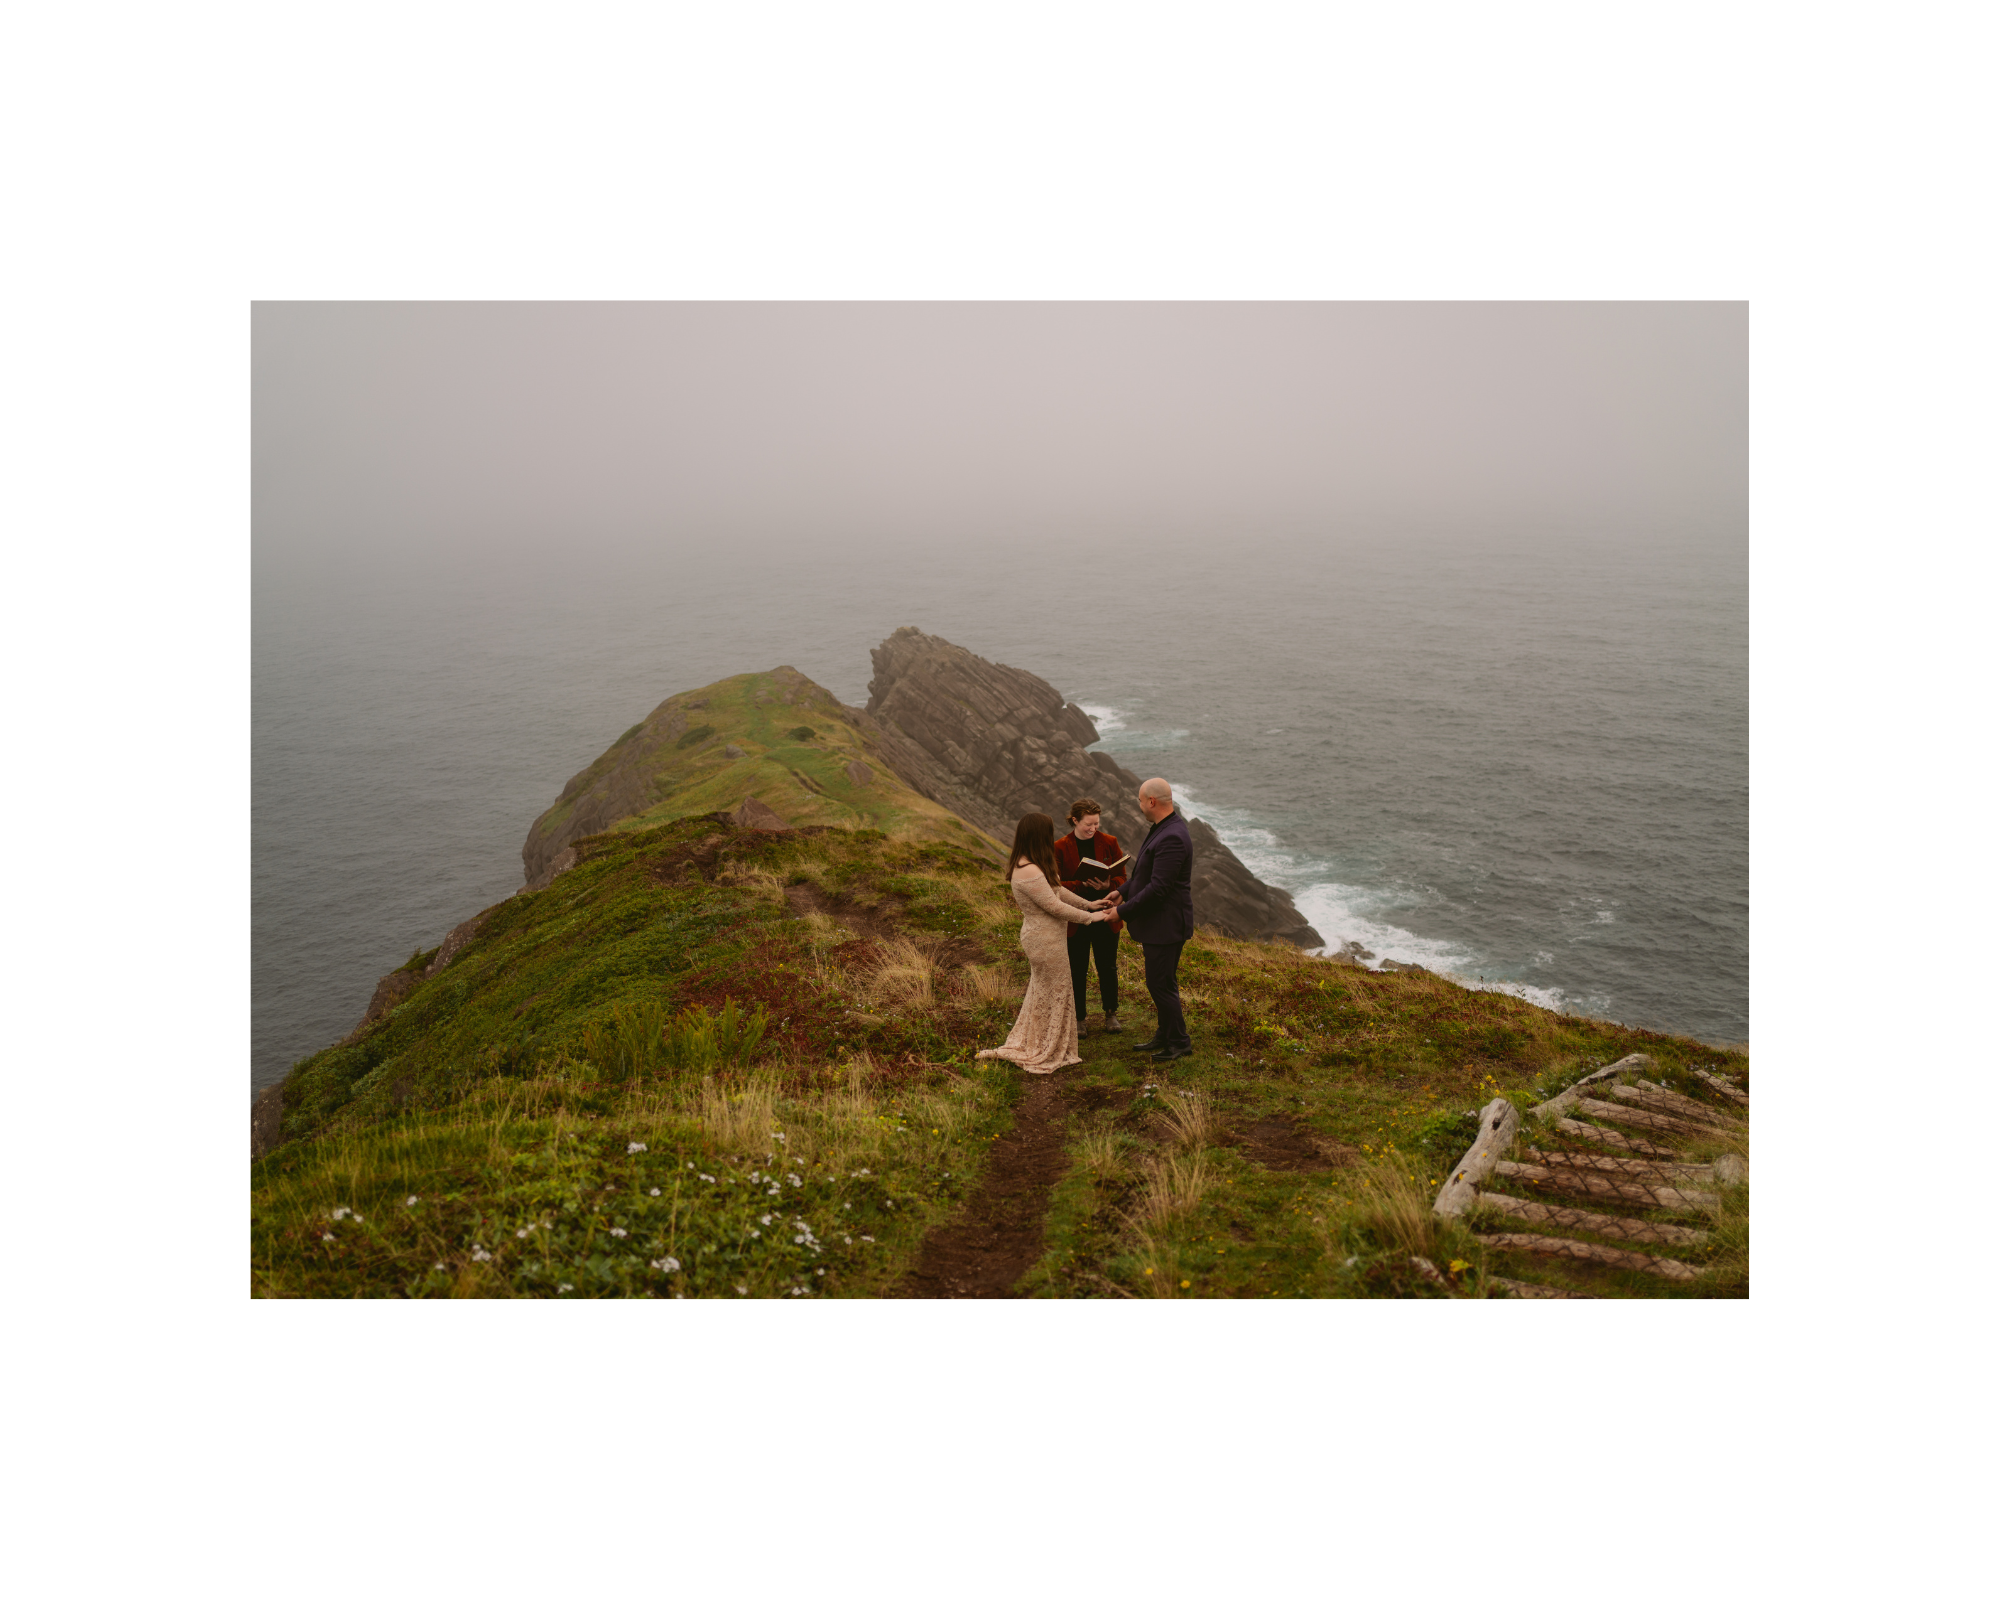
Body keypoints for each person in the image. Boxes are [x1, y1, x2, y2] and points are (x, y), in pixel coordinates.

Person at [977, 812, 1116, 1074]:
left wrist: (1088, 904)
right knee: (1054, 991)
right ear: (1039, 835)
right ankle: (1045, 1045)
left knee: (1047, 992)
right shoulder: (1028, 869)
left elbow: (1057, 890)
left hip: (1047, 937)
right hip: (1044, 940)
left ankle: (1042, 1040)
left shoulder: (1031, 864)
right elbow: (1054, 906)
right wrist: (1090, 918)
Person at [1102, 778, 1194, 1063]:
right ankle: (1165, 1035)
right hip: (1161, 924)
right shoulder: (1163, 828)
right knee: (1162, 982)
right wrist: (1122, 892)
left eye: (1140, 801)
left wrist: (1122, 912)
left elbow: (1159, 889)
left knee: (1160, 985)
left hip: (1166, 925)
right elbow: (1144, 875)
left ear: (1152, 801)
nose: (1139, 806)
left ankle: (1179, 1042)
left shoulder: (1172, 836)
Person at [1055, 798, 1127, 1034]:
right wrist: (1081, 884)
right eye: (1088, 824)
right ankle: (1079, 1018)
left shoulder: (1109, 842)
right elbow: (1055, 885)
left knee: (1108, 966)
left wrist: (1109, 884)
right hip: (1076, 917)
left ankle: (1111, 1013)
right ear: (1075, 820)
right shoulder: (1060, 847)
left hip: (1106, 913)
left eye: (1096, 823)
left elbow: (1123, 877)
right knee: (1077, 968)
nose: (1093, 828)